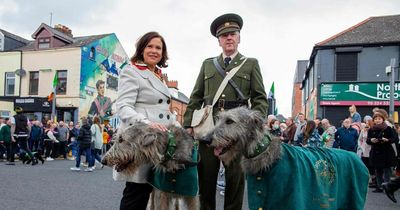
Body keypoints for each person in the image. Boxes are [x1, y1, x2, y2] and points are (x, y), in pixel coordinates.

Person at [183, 13, 268, 210]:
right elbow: (196, 96)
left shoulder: (250, 63)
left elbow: (260, 98)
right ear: (219, 41)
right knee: (206, 179)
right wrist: (188, 124)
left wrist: (254, 123)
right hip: (209, 129)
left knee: (235, 182)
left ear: (239, 37)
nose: (229, 38)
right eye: (224, 35)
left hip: (236, 132)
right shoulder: (207, 64)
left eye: (233, 34)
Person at [115, 31, 175, 210]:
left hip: (160, 142)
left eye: (158, 48)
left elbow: (163, 112)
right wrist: (147, 123)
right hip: (141, 140)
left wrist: (181, 128)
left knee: (151, 192)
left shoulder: (158, 75)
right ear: (141, 49)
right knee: (136, 193)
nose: (154, 51)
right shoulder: (131, 71)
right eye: (150, 46)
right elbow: (124, 106)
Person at [367, 112, 396, 193]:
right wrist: (371, 140)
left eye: (379, 119)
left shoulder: (388, 128)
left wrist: (387, 140)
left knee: (387, 171)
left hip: (386, 152)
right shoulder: (371, 129)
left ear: (383, 119)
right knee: (378, 170)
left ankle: (388, 187)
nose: (377, 120)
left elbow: (393, 139)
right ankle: (379, 187)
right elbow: (368, 140)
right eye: (376, 119)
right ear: (374, 120)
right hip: (376, 152)